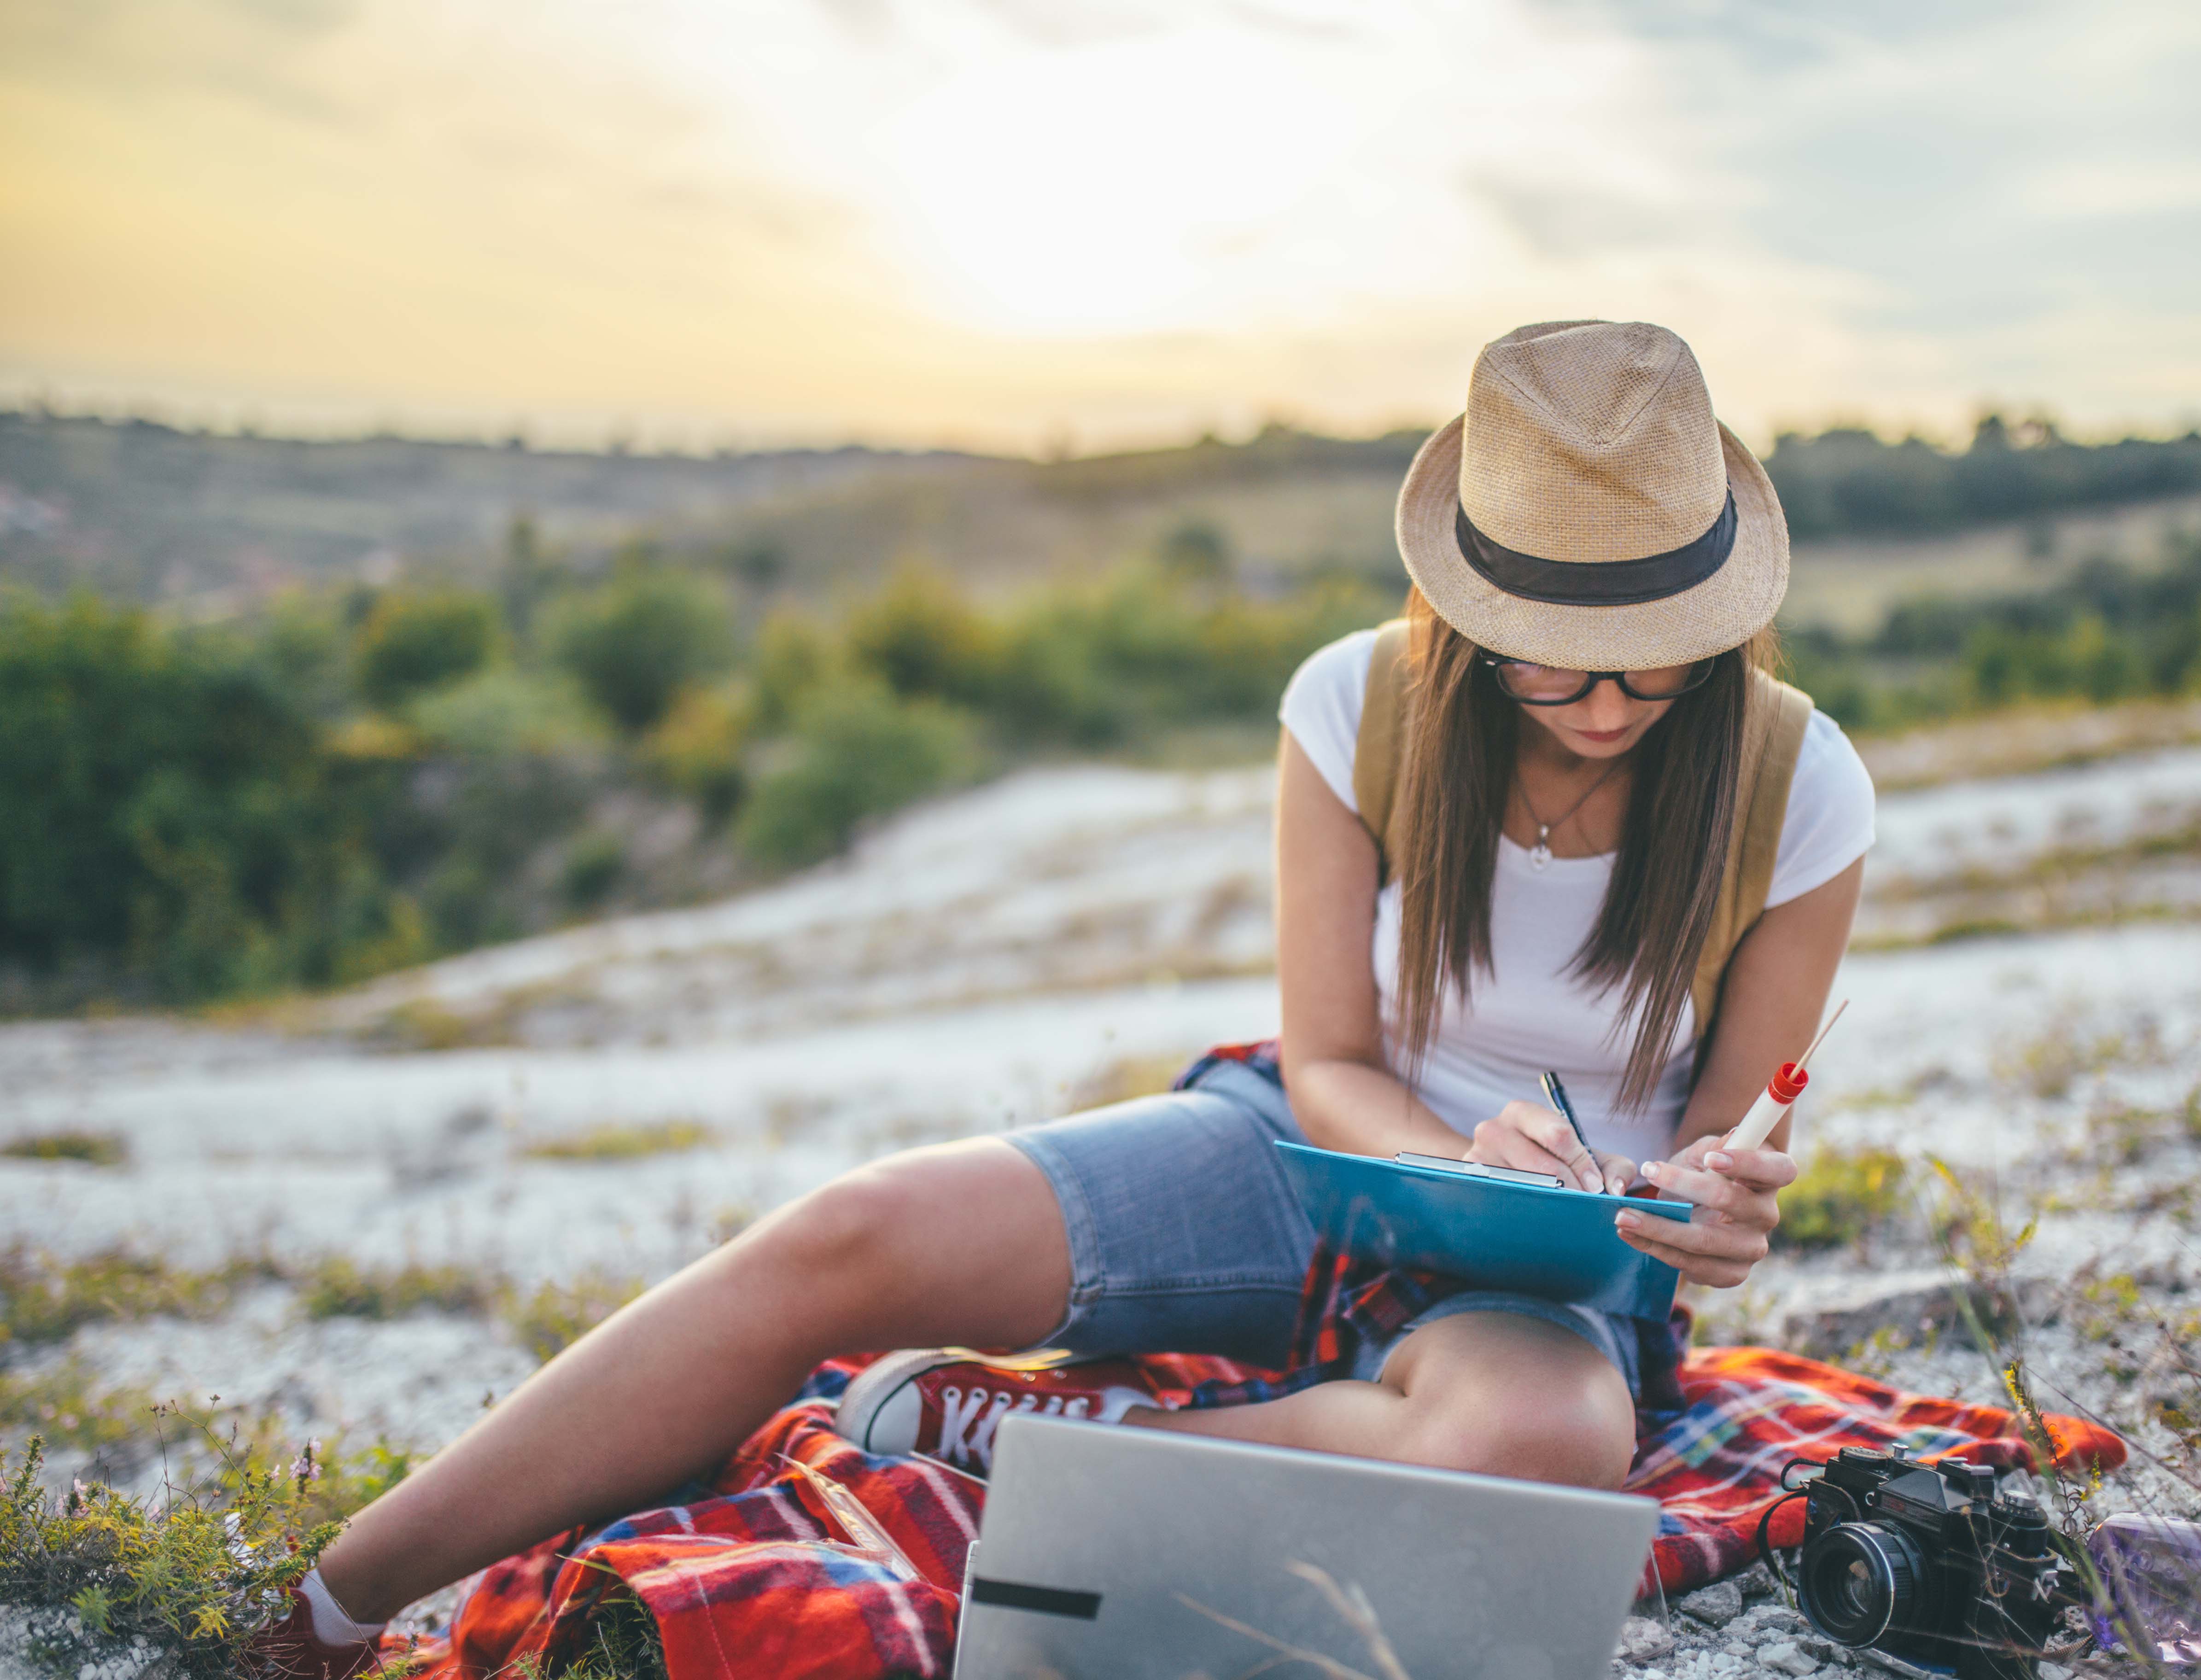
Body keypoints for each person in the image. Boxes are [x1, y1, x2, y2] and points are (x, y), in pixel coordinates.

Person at [245, 319, 1874, 1677]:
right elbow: (1325, 1059)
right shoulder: (1354, 703)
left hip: (1549, 1265)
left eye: (1652, 658)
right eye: (1548, 656)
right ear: (1467, 615)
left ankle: (1029, 1442)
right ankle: (334, 1600)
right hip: (1306, 1155)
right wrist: (1447, 1155)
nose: (1603, 704)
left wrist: (1712, 1211)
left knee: (1544, 1454)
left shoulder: (1799, 786)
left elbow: (1728, 1140)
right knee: (853, 1234)